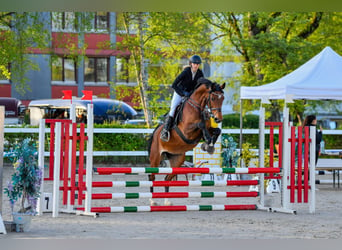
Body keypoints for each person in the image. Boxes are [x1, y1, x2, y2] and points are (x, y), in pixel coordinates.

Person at [160, 55, 204, 142]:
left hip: (190, 95)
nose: (196, 66)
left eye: (198, 64)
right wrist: (183, 93)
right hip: (179, 93)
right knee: (173, 109)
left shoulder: (200, 73)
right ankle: (165, 131)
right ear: (191, 64)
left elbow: (201, 85)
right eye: (195, 64)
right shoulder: (186, 72)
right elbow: (174, 84)